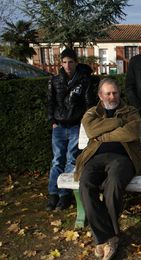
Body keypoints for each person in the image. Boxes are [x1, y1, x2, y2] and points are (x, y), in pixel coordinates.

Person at [75, 78, 141, 259]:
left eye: (114, 93)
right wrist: (117, 122)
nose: (112, 96)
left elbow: (131, 132)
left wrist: (103, 135)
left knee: (113, 183)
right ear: (100, 95)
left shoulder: (130, 111)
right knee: (85, 184)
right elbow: (91, 131)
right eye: (108, 93)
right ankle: (107, 237)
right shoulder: (92, 112)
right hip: (95, 157)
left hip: (123, 158)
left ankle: (105, 238)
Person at [46, 48, 93, 211]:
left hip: (75, 126)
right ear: (61, 63)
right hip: (58, 125)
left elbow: (88, 103)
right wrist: (52, 120)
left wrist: (83, 123)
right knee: (57, 159)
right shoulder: (54, 80)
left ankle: (64, 195)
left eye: (71, 62)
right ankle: (53, 193)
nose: (67, 65)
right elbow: (50, 101)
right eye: (64, 62)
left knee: (71, 159)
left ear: (76, 62)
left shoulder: (84, 80)